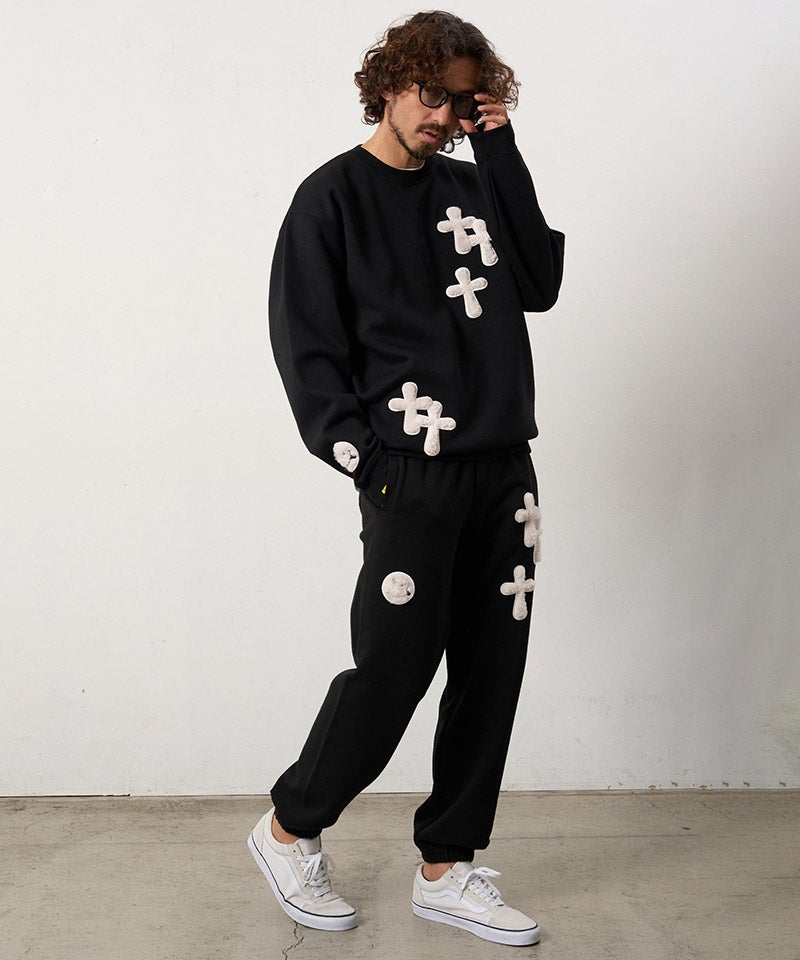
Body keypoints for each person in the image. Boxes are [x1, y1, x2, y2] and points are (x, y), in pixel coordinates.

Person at [248, 10, 565, 947]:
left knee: (490, 672)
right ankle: (289, 827)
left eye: (461, 102)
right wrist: (365, 457)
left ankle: (446, 867)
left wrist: (499, 149)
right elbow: (306, 344)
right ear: (388, 83)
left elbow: (539, 282)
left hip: (504, 470)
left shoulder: (474, 183)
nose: (442, 117)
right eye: (431, 94)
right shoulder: (331, 199)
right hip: (410, 473)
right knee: (393, 667)